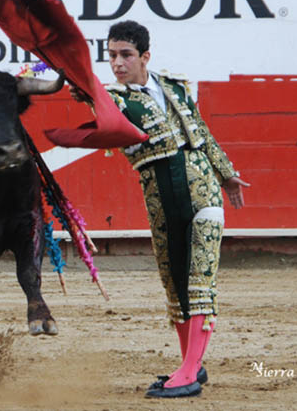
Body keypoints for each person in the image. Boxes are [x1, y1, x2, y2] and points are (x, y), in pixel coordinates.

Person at [70, 20, 250, 398]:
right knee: (175, 283)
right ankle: (190, 365)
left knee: (199, 280)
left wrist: (227, 174)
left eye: (126, 55)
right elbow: (92, 94)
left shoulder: (175, 87)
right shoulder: (113, 98)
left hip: (203, 192)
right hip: (161, 202)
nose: (117, 63)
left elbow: (201, 132)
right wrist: (74, 81)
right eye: (111, 56)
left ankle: (189, 373)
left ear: (145, 56)